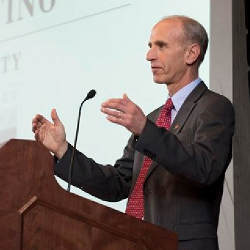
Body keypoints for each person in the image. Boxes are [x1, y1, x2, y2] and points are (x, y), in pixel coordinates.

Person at [32, 15, 234, 250]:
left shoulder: (214, 107)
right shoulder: (153, 118)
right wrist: (62, 150)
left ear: (191, 53)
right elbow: (117, 184)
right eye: (150, 46)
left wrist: (145, 130)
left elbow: (204, 168)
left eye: (161, 46)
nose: (149, 55)